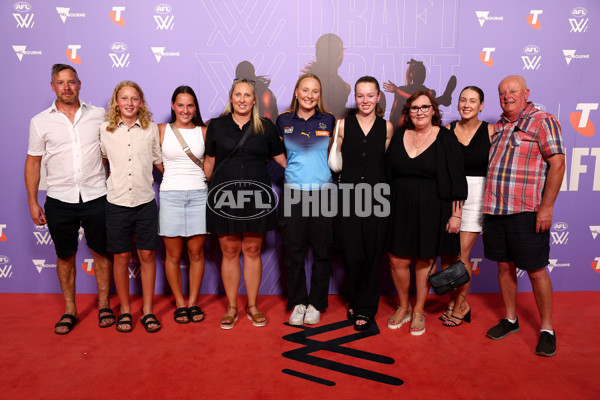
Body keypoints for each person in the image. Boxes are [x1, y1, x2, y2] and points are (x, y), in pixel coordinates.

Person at [25, 64, 114, 335]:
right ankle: (70, 310)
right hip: (60, 199)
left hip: (97, 194)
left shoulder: (99, 115)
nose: (67, 87)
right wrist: (32, 202)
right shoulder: (40, 121)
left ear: (79, 84)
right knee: (65, 256)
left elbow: (114, 150)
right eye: (61, 82)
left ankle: (104, 306)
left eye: (71, 82)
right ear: (53, 86)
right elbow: (33, 163)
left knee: (101, 252)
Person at [483, 75, 565, 357]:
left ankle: (546, 329)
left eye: (513, 91)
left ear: (526, 93)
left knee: (536, 270)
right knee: (504, 267)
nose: (507, 96)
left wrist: (546, 207)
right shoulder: (500, 126)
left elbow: (557, 164)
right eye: (502, 92)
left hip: (527, 211)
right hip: (496, 209)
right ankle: (510, 319)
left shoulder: (543, 120)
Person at [203, 78, 287, 329]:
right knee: (229, 252)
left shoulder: (267, 128)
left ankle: (252, 305)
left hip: (257, 198)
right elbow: (209, 163)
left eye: (247, 95)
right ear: (231, 98)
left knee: (251, 252)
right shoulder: (216, 126)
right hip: (223, 197)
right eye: (237, 95)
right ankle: (231, 307)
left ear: (254, 100)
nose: (242, 99)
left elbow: (284, 161)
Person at [385, 91, 467, 335]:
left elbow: (457, 181)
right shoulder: (400, 136)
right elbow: (387, 173)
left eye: (425, 107)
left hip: (433, 208)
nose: (419, 112)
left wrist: (456, 215)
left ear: (433, 110)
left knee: (424, 259)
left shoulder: (446, 138)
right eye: (414, 108)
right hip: (399, 207)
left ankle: (419, 309)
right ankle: (404, 306)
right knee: (397, 259)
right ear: (408, 112)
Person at [100, 81, 163, 333]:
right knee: (121, 256)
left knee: (147, 255)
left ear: (141, 102)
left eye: (134, 98)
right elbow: (102, 160)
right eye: (124, 98)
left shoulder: (149, 129)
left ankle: (148, 310)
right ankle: (125, 310)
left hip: (145, 202)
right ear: (116, 101)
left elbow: (159, 162)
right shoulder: (105, 129)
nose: (129, 103)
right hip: (116, 202)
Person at [334, 76, 393, 331]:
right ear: (354, 98)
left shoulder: (387, 128)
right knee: (352, 252)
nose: (365, 100)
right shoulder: (342, 125)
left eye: (370, 95)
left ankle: (365, 308)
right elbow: (334, 161)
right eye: (360, 95)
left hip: (378, 196)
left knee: (372, 253)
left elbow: (388, 165)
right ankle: (356, 299)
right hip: (348, 195)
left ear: (378, 97)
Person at [276, 73, 336, 326]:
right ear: (297, 92)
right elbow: (277, 151)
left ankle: (317, 304)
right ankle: (299, 302)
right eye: (306, 90)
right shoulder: (283, 121)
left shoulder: (330, 120)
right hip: (293, 194)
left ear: (319, 96)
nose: (310, 96)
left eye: (315, 91)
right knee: (294, 252)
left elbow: (336, 154)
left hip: (324, 193)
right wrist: (292, 168)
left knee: (323, 251)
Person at [440, 86, 494, 327]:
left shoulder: (491, 131)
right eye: (463, 100)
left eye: (473, 101)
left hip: (477, 197)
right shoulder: (447, 130)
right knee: (448, 258)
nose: (467, 104)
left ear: (481, 105)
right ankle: (453, 303)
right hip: (450, 195)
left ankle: (461, 304)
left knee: (462, 256)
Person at [158, 86, 208, 324]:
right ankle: (180, 303)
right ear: (172, 105)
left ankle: (193, 302)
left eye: (189, 105)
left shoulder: (204, 132)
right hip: (170, 195)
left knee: (196, 253)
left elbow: (209, 166)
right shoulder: (161, 130)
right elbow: (157, 162)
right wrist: (173, 177)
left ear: (195, 107)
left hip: (199, 194)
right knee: (173, 255)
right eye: (180, 105)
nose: (185, 110)